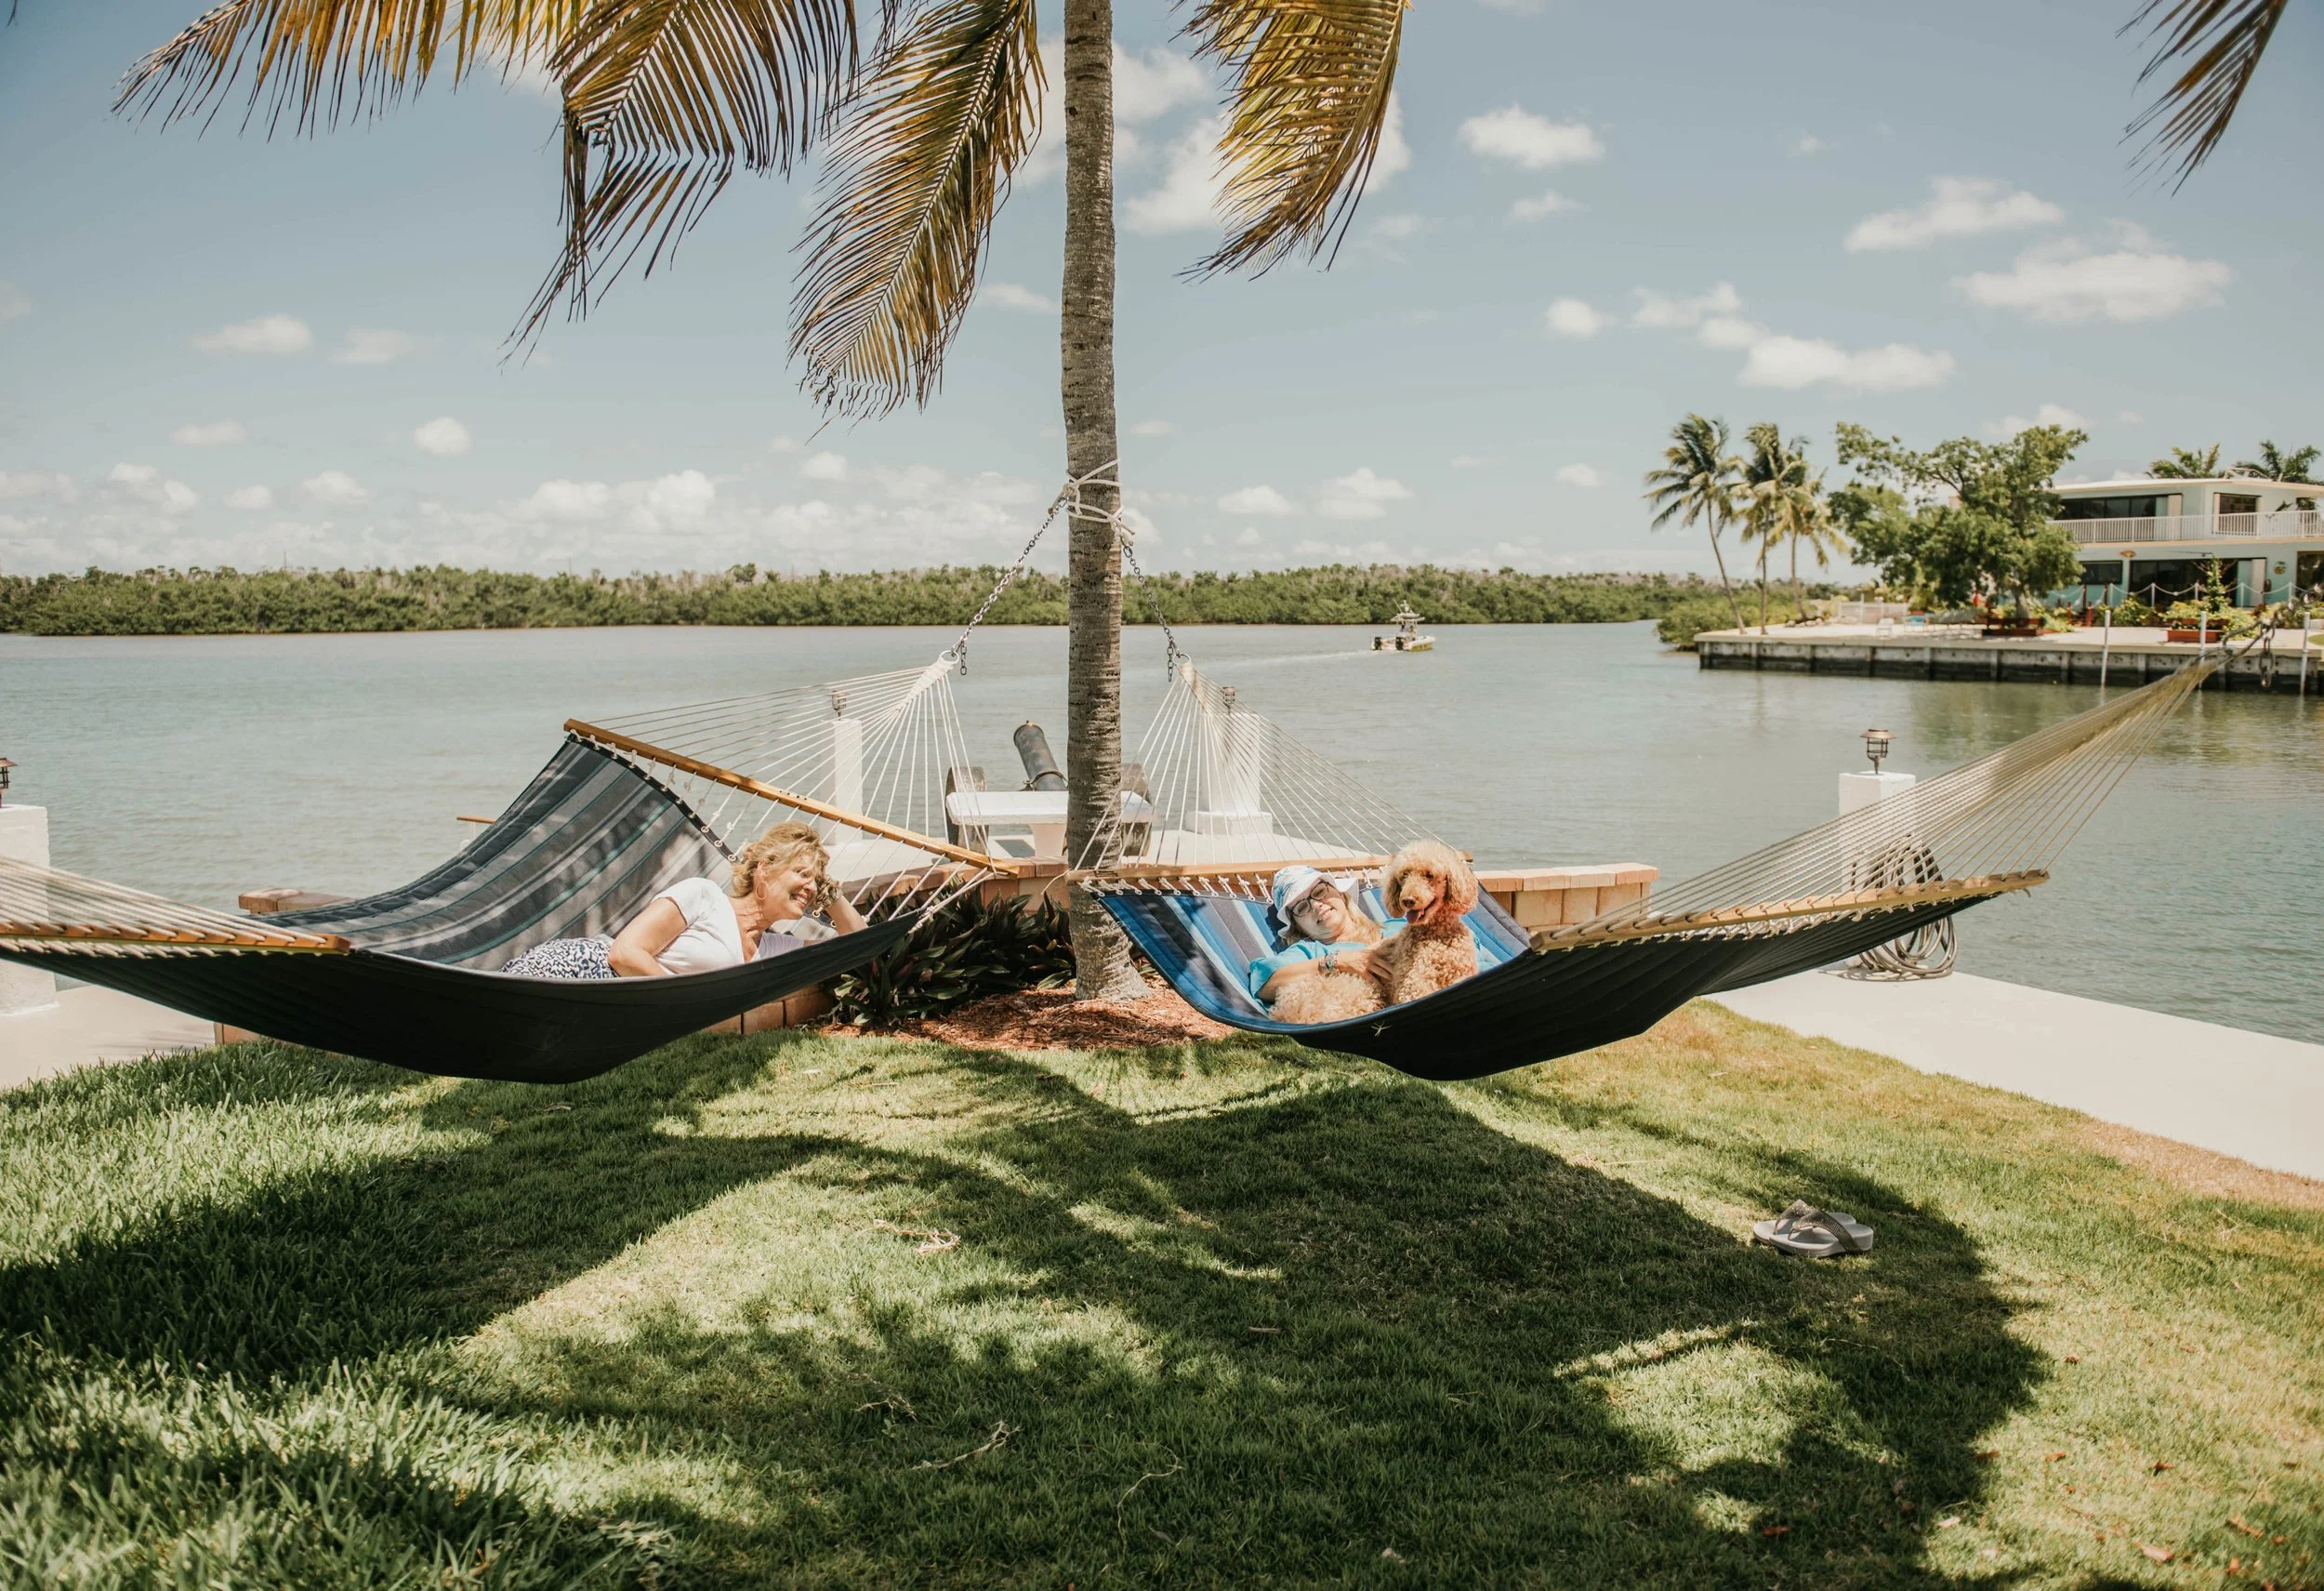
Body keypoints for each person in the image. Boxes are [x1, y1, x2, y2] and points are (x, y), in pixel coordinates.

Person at [505, 821, 865, 979]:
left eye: (816, 882)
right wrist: (683, 1000)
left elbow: (860, 948)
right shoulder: (703, 895)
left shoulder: (771, 948)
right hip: (581, 969)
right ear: (765, 870)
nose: (810, 888)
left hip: (608, 1000)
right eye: (802, 874)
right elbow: (624, 955)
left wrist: (831, 895)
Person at [1246, 864, 1394, 1015]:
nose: (1316, 905)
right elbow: (1266, 985)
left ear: (1340, 893)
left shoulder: (1397, 927)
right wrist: (1336, 962)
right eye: (1302, 907)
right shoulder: (1309, 951)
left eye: (1320, 891)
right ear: (1297, 926)